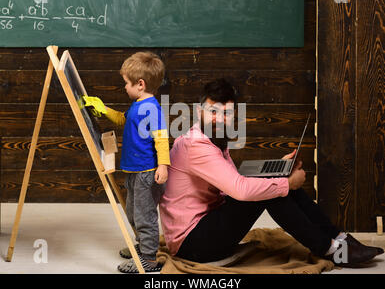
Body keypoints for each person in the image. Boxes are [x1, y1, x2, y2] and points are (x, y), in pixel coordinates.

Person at [159, 79, 383, 267]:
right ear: (200, 111)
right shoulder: (196, 145)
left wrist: (278, 172)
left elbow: (229, 185)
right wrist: (286, 183)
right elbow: (240, 191)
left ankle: (338, 237)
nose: (220, 118)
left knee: (271, 184)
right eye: (213, 111)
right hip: (192, 244)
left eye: (226, 113)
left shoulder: (213, 138)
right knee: (273, 191)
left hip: (204, 230)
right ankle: (330, 249)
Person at [83, 52, 170, 273]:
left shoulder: (151, 108)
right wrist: (104, 110)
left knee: (144, 216)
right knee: (133, 212)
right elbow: (123, 119)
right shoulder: (138, 104)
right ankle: (142, 247)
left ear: (140, 84)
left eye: (126, 83)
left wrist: (163, 166)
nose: (124, 87)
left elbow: (161, 139)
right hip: (134, 171)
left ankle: (149, 259)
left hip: (147, 172)